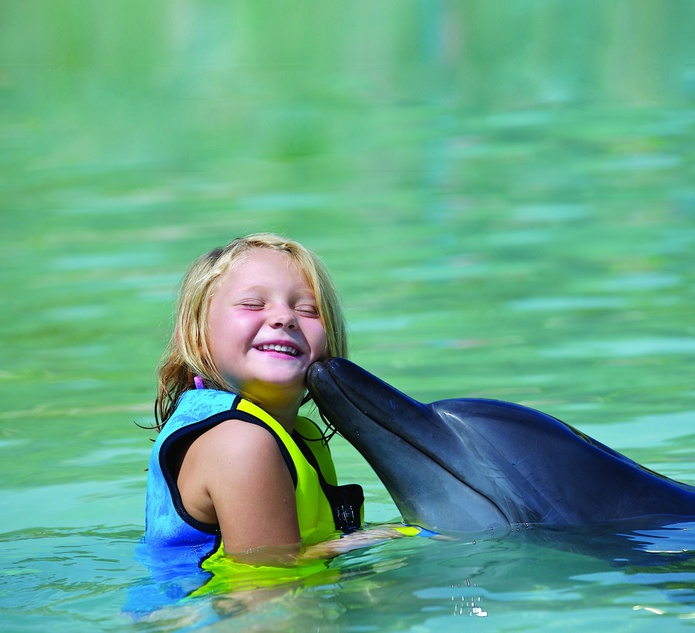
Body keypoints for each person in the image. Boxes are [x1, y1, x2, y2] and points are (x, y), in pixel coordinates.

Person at [141, 233, 367, 568]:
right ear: (197, 337)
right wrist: (398, 537)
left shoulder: (295, 436)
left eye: (307, 309)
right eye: (252, 304)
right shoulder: (240, 443)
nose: (284, 318)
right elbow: (267, 586)